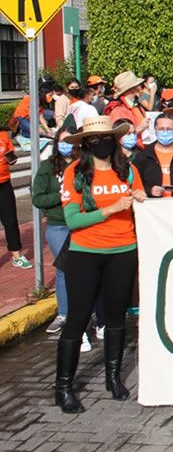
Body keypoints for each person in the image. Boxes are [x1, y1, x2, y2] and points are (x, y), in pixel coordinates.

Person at [56, 116, 147, 413]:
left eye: (107, 138)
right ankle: (64, 386)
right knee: (78, 319)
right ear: (84, 144)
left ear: (115, 139)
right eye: (94, 140)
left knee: (116, 316)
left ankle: (113, 377)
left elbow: (139, 203)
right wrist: (110, 209)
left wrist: (141, 197)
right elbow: (73, 220)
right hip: (85, 252)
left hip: (123, 249)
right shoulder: (76, 173)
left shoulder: (128, 170)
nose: (102, 144)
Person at [34, 127, 80, 334]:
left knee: (88, 267)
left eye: (70, 141)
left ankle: (95, 313)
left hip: (84, 222)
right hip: (58, 225)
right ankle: (64, 313)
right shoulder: (48, 167)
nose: (67, 145)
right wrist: (62, 197)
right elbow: (38, 198)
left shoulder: (84, 164)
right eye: (62, 141)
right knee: (64, 268)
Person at [0, 129, 30, 269]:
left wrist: (11, 158)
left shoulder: (3, 135)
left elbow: (11, 157)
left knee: (10, 220)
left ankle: (17, 256)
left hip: (4, 183)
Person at [104, 72, 150, 136]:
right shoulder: (118, 110)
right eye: (137, 85)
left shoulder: (136, 106)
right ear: (132, 89)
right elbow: (121, 137)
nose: (140, 87)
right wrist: (139, 129)